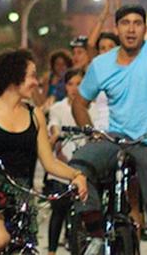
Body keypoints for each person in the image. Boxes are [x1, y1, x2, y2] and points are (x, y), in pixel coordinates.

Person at [70, 4, 147, 254]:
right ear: (117, 28)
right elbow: (79, 102)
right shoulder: (102, 64)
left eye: (137, 23)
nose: (131, 29)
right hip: (117, 139)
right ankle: (94, 230)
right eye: (125, 23)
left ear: (145, 28)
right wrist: (90, 131)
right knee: (78, 164)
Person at [0, 49, 87, 255]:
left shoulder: (35, 114)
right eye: (32, 76)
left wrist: (76, 175)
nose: (37, 82)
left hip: (21, 201)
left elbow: (49, 162)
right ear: (13, 78)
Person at [46, 69, 98, 255]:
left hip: (85, 165)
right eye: (71, 84)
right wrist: (54, 136)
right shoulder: (58, 108)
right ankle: (51, 251)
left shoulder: (93, 108)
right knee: (58, 209)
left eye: (79, 84)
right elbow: (53, 125)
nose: (75, 88)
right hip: (62, 165)